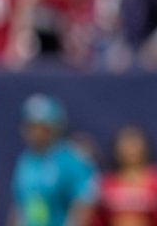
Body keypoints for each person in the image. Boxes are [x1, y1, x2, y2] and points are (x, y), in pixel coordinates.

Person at [9, 93, 99, 226]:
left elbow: (84, 203)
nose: (36, 132)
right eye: (31, 126)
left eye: (42, 127)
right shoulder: (25, 160)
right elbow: (20, 205)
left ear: (55, 127)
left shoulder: (71, 159)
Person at [95, 124, 157, 226]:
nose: (130, 150)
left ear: (146, 148)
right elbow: (95, 217)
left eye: (134, 145)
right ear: (115, 150)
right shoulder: (104, 184)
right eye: (125, 145)